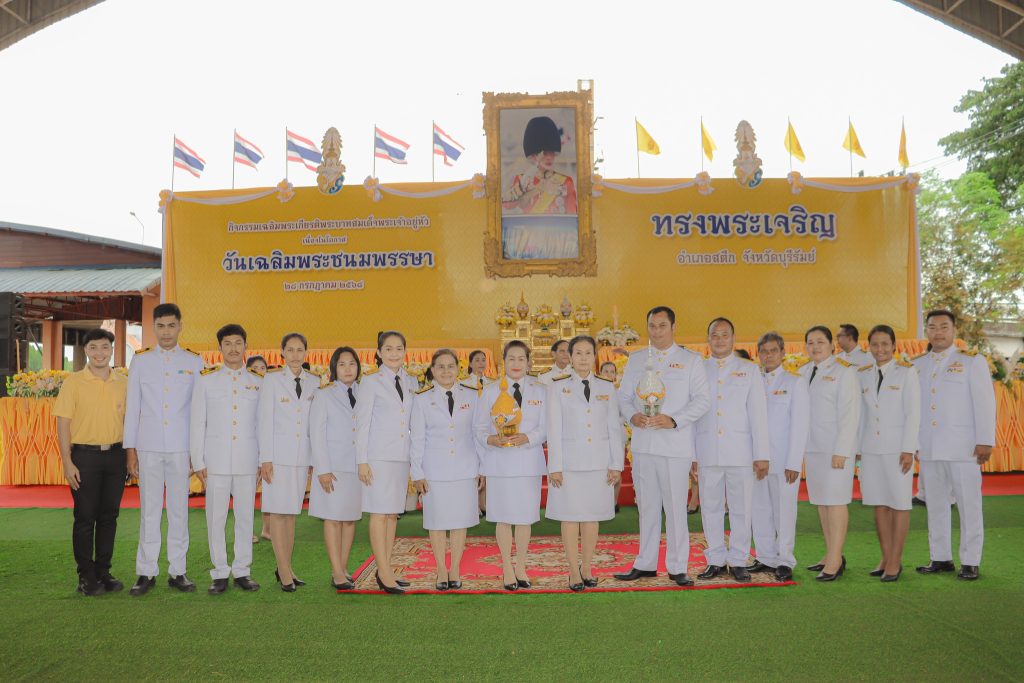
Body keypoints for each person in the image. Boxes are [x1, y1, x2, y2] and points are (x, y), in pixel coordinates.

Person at [614, 306, 710, 586]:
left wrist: (674, 420)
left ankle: (678, 566)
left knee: (676, 509)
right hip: (644, 444)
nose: (656, 331)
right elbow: (624, 397)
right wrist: (631, 415)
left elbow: (703, 400)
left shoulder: (690, 360)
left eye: (662, 326)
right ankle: (645, 563)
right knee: (647, 506)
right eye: (652, 326)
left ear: (673, 327)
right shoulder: (637, 359)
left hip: (674, 446)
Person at [124, 302, 205, 596]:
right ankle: (146, 571)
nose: (166, 331)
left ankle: (178, 571)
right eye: (161, 326)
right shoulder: (141, 361)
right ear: (153, 327)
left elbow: (200, 411)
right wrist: (130, 450)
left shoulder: (194, 361)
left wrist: (197, 453)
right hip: (148, 446)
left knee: (179, 510)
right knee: (149, 510)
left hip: (182, 447)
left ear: (180, 326)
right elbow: (133, 408)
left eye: (171, 325)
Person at [914, 310, 995, 581]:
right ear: (926, 330)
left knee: (968, 505)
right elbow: (914, 409)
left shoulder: (971, 361)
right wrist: (914, 443)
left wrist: (985, 440)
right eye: (932, 327)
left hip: (963, 447)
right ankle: (940, 557)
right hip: (929, 446)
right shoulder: (917, 364)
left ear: (954, 330)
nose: (938, 332)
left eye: (943, 327)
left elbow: (984, 402)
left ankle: (970, 561)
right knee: (936, 505)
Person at [694, 319, 770, 583]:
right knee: (710, 507)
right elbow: (693, 414)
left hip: (741, 451)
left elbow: (758, 414)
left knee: (741, 508)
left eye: (724, 335)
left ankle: (738, 559)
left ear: (733, 338)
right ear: (708, 339)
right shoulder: (698, 369)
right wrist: (692, 455)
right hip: (707, 449)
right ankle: (715, 559)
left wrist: (761, 454)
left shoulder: (748, 370)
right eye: (714, 335)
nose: (719, 339)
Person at [188, 324, 262, 594]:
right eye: (228, 343)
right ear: (220, 347)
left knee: (245, 518)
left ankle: (242, 570)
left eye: (238, 343)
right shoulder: (206, 380)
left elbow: (261, 424)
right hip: (215, 462)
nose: (233, 348)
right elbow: (198, 422)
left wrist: (262, 460)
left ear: (245, 346)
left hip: (247, 460)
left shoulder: (258, 381)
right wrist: (198, 461)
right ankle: (219, 571)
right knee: (215, 519)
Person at [55, 328, 128, 596]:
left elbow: (130, 422)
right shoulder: (73, 382)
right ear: (86, 350)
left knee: (109, 517)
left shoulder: (123, 382)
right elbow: (63, 423)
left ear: (112, 350)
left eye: (105, 347)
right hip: (84, 457)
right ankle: (85, 576)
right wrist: (67, 461)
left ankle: (103, 571)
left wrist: (131, 457)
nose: (100, 353)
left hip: (116, 456)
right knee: (85, 517)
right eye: (94, 347)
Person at [546, 335, 623, 591]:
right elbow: (553, 429)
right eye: (577, 353)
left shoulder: (606, 386)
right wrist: (555, 466)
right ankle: (573, 571)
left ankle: (587, 567)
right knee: (570, 517)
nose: (582, 358)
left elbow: (614, 427)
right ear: (569, 356)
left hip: (598, 462)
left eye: (587, 353)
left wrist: (616, 464)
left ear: (595, 356)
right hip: (569, 464)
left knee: (592, 517)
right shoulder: (558, 386)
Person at [473, 340, 548, 591]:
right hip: (500, 463)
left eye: (521, 359)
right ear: (503, 362)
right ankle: (507, 567)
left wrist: (529, 437)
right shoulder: (490, 391)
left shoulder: (541, 390)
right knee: (503, 517)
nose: (516, 364)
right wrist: (489, 439)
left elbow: (547, 426)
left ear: (529, 362)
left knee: (525, 518)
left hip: (528, 462)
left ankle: (521, 567)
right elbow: (478, 427)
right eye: (511, 359)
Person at [411, 349, 482, 591]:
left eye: (450, 366)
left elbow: (477, 433)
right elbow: (417, 438)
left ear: (458, 369)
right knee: (437, 521)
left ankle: (456, 569)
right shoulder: (421, 399)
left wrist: (481, 467)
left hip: (465, 467)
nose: (445, 371)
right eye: (440, 366)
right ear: (432, 370)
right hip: (434, 471)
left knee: (460, 521)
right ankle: (442, 569)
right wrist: (417, 472)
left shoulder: (471, 395)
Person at [355, 331, 419, 594]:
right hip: (378, 457)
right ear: (379, 352)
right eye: (388, 349)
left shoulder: (411, 380)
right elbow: (361, 423)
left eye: (399, 348)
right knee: (379, 514)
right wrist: (361, 460)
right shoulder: (371, 381)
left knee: (393, 514)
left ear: (405, 351)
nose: (394, 353)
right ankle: (382, 572)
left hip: (401, 457)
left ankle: (387, 568)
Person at [258, 332, 322, 592]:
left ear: (306, 352)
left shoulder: (315, 381)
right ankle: (283, 570)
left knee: (292, 514)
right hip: (277, 458)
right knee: (278, 513)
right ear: (282, 352)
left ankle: (287, 567)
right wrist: (265, 459)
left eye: (300, 350)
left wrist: (315, 458)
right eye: (290, 350)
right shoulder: (272, 380)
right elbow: (264, 421)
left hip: (301, 457)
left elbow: (316, 424)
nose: (295, 355)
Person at [857, 324, 920, 582]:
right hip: (871, 448)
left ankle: (895, 560)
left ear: (894, 346)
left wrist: (908, 449)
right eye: (875, 344)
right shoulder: (863, 374)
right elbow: (861, 415)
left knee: (900, 503)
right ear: (869, 347)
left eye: (885, 344)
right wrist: (857, 448)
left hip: (897, 450)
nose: (880, 349)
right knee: (879, 503)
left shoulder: (906, 372)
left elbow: (913, 413)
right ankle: (885, 556)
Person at [799, 325, 861, 582]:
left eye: (820, 342)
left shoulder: (844, 372)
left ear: (832, 345)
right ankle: (830, 553)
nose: (815, 347)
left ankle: (835, 560)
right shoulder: (803, 372)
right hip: (813, 447)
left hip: (835, 449)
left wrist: (842, 450)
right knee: (822, 503)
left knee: (835, 502)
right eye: (810, 342)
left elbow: (850, 414)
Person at [747, 332, 809, 582]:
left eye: (774, 350)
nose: (769, 355)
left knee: (784, 511)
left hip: (783, 459)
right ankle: (765, 556)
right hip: (756, 458)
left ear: (783, 353)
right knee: (759, 509)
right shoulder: (752, 381)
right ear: (758, 354)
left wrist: (794, 461)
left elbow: (800, 425)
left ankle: (784, 559)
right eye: (764, 351)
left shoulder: (794, 382)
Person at [309, 346, 363, 591]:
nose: (347, 369)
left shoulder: (364, 392)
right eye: (342, 364)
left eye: (352, 363)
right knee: (332, 518)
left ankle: (343, 567)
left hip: (356, 466)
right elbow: (316, 434)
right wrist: (322, 468)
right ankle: (336, 572)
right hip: (332, 467)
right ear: (334, 368)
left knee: (350, 519)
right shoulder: (324, 395)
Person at [501, 115, 577, 216]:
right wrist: (524, 188)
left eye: (552, 153)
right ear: (534, 156)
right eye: (544, 153)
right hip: (528, 226)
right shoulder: (522, 180)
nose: (549, 157)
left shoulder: (566, 182)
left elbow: (572, 216)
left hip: (556, 227)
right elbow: (506, 205)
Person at [245, 355, 271, 543]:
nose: (260, 371)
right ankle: (246, 531)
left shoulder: (271, 390)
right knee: (247, 492)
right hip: (249, 448)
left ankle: (267, 529)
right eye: (256, 368)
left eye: (263, 368)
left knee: (269, 491)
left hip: (268, 448)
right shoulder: (244, 390)